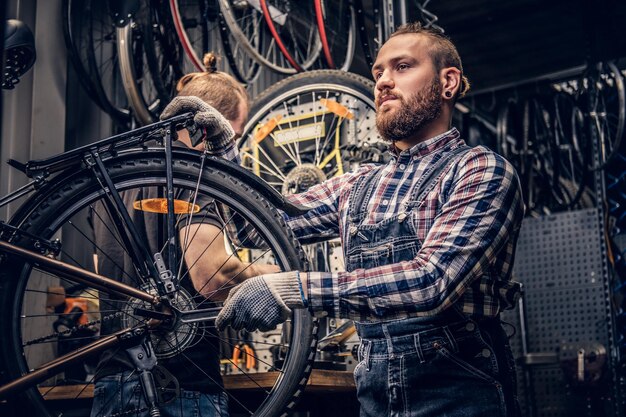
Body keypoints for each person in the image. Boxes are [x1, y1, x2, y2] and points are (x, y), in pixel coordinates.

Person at [164, 22, 525, 417]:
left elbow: (431, 283)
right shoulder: (359, 185)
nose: (384, 82)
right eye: (378, 72)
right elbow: (257, 225)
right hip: (374, 394)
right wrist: (222, 151)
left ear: (449, 82)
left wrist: (292, 288)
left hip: (457, 390)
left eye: (402, 67)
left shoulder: (479, 170)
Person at [91, 52, 276, 417]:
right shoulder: (195, 177)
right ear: (211, 126)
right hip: (183, 389)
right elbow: (212, 277)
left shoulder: (116, 182)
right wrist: (279, 279)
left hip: (112, 381)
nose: (228, 150)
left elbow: (102, 273)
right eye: (232, 137)